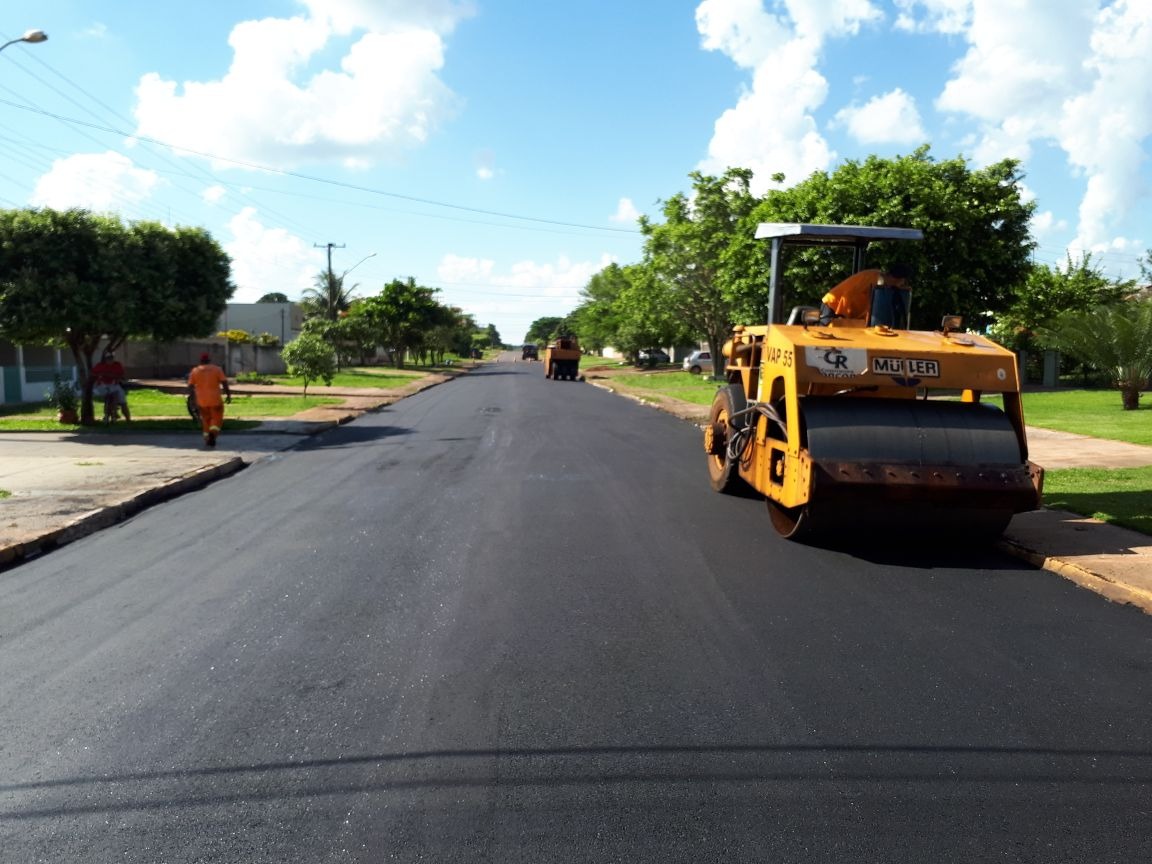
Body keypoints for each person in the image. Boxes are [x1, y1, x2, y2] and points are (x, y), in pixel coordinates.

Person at [819, 263, 913, 325]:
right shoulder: (872, 278)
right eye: (903, 282)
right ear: (898, 279)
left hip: (847, 314)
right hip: (834, 306)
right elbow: (848, 294)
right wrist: (842, 315)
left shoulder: (884, 288)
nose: (902, 285)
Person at [188, 353, 231, 448]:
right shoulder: (217, 369)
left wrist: (192, 399)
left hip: (201, 401)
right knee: (216, 418)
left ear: (201, 361)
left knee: (205, 420)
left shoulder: (195, 371)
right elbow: (224, 382)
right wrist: (228, 394)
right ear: (209, 360)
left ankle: (207, 438)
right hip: (215, 399)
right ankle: (213, 433)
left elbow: (190, 386)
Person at [91, 350, 131, 421]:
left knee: (122, 401)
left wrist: (117, 377)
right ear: (105, 358)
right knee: (109, 396)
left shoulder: (117, 365)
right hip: (102, 385)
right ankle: (108, 414)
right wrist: (101, 375)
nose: (110, 359)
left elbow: (122, 375)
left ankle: (127, 418)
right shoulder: (100, 365)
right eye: (108, 358)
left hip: (114, 385)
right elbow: (93, 373)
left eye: (111, 358)